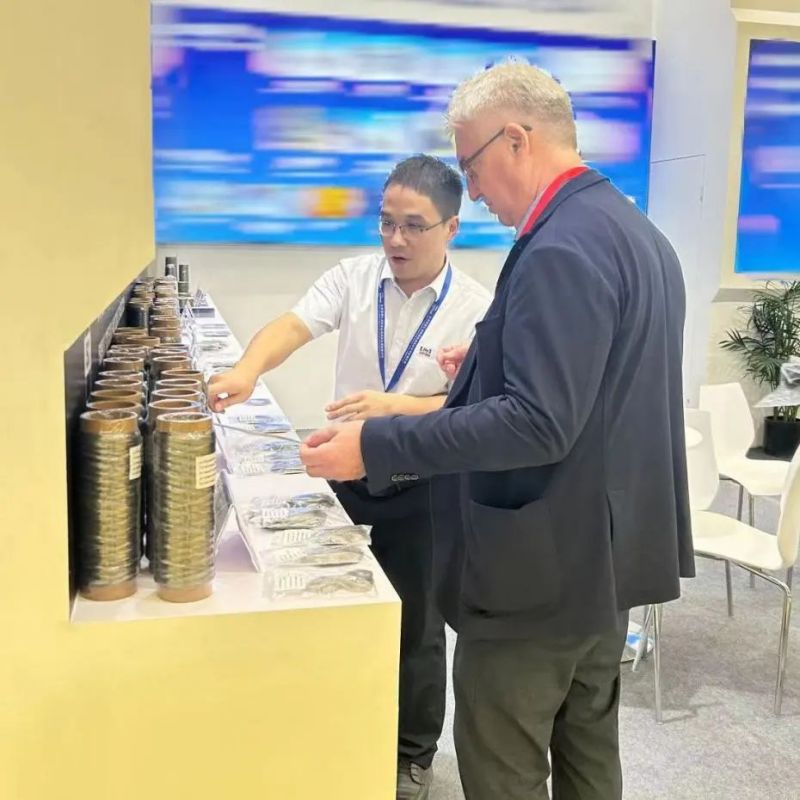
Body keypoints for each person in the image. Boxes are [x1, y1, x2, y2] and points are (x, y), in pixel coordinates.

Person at [299, 61, 695, 800]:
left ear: (517, 138)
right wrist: (485, 360)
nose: (474, 192)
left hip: (539, 575)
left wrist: (376, 444)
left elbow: (539, 422)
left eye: (473, 167)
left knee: (502, 761)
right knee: (588, 752)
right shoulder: (635, 232)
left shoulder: (560, 247)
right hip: (605, 564)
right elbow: (598, 390)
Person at [207, 154, 491, 800]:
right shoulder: (355, 278)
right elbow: (293, 325)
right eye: (386, 222)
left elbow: (470, 409)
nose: (396, 238)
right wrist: (248, 370)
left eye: (413, 225)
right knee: (325, 599)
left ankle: (411, 755)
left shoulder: (476, 308)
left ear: (451, 228)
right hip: (345, 468)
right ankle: (327, 723)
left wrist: (395, 408)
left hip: (423, 484)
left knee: (417, 626)